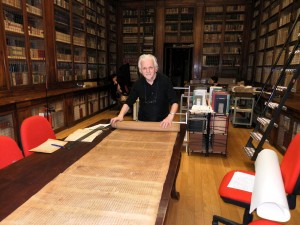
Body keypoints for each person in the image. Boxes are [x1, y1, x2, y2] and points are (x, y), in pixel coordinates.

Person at [110, 54, 179, 128]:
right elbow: (129, 102)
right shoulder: (138, 84)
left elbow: (174, 102)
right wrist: (120, 115)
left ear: (156, 68)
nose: (148, 71)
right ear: (140, 71)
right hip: (142, 123)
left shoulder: (165, 81)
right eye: (144, 68)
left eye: (150, 67)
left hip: (163, 123)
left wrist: (170, 116)